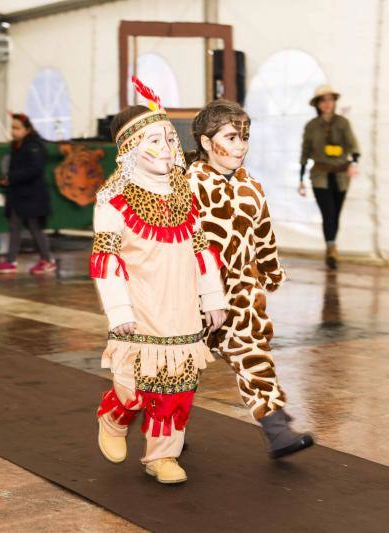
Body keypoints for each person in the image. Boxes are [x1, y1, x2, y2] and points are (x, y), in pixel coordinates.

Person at [92, 79, 227, 484]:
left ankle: (162, 456)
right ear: (130, 148)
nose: (167, 147)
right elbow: (106, 261)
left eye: (169, 137)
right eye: (154, 139)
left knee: (178, 385)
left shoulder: (183, 192)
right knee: (135, 385)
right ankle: (114, 417)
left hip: (183, 306)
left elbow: (201, 249)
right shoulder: (113, 199)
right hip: (140, 306)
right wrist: (118, 311)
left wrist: (213, 297)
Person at [187, 99, 314, 459]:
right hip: (193, 297)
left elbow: (263, 236)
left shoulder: (252, 188)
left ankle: (278, 431)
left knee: (254, 356)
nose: (240, 144)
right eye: (231, 136)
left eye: (245, 136)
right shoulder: (189, 186)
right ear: (207, 141)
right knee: (181, 368)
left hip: (241, 294)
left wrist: (270, 271)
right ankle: (166, 432)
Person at [299, 85, 361, 269]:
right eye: (323, 100)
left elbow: (353, 146)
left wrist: (354, 163)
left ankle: (331, 245)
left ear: (334, 102)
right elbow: (305, 152)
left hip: (341, 176)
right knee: (328, 213)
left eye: (330, 100)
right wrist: (300, 179)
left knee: (336, 214)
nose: (327, 104)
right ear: (317, 104)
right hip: (320, 176)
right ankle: (331, 248)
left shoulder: (343, 123)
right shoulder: (311, 126)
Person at [0, 113, 56, 275]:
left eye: (17, 128)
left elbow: (34, 170)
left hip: (33, 197)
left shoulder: (34, 146)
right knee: (14, 227)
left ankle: (47, 260)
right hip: (18, 195)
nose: (13, 131)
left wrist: (11, 178)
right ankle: (11, 261)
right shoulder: (17, 146)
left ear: (27, 129)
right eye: (12, 127)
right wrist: (8, 180)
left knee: (35, 228)